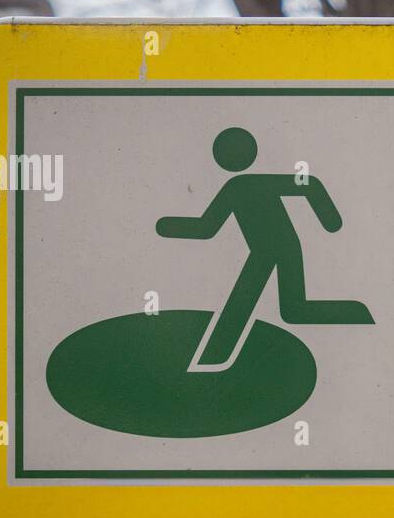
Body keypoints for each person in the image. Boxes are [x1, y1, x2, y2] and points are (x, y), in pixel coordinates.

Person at [156, 127, 373, 368]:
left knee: (255, 303)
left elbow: (307, 184)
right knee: (293, 310)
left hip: (275, 250)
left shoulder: (240, 185)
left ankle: (212, 359)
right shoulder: (239, 186)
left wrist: (331, 220)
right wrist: (169, 226)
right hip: (273, 250)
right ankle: (357, 313)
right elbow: (208, 227)